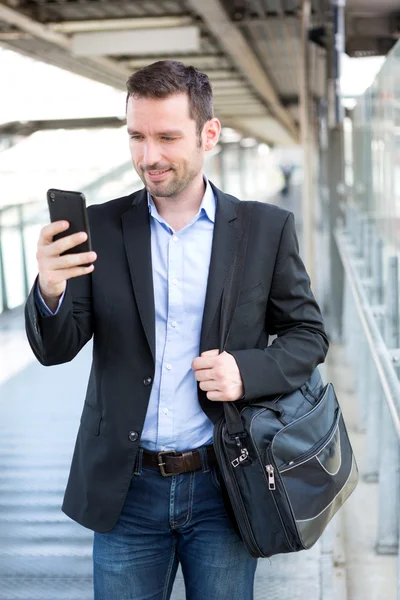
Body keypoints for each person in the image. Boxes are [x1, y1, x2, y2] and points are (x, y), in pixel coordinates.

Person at [25, 60, 329, 600]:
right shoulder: (101, 227)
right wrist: (50, 289)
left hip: (226, 484)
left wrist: (246, 372)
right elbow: (56, 350)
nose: (149, 157)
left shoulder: (265, 229)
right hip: (125, 490)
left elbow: (308, 335)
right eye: (136, 137)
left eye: (167, 137)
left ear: (208, 133)